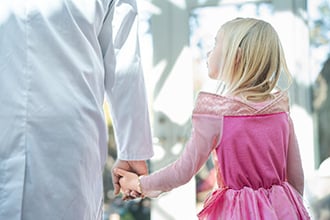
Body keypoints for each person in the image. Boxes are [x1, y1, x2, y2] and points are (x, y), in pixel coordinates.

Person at [115, 18, 311, 219]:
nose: (209, 52)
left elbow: (182, 170)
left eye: (216, 43)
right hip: (282, 210)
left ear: (236, 56)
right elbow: (296, 177)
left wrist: (139, 184)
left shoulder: (217, 112)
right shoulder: (279, 110)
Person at [0, 0, 153, 219]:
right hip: (71, 141)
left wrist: (133, 148)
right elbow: (123, 60)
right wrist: (133, 150)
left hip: (67, 145)